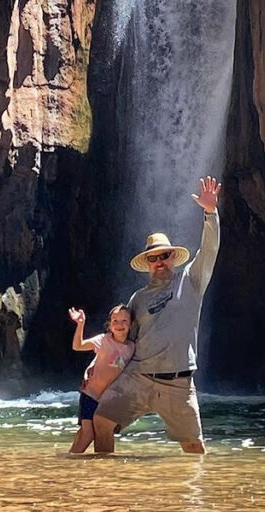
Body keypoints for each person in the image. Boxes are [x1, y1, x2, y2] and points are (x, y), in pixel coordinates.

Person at [92, 176, 222, 454]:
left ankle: (196, 496)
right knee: (101, 421)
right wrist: (97, 368)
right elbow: (123, 341)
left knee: (194, 447)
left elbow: (209, 251)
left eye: (164, 256)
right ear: (147, 264)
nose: (159, 262)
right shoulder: (137, 299)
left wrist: (210, 213)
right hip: (139, 376)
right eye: (153, 258)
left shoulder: (191, 280)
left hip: (177, 381)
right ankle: (104, 486)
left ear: (172, 258)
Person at [67, 304, 135, 454]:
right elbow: (78, 346)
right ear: (109, 324)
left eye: (124, 321)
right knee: (88, 434)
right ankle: (69, 465)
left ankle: (94, 467)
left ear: (131, 324)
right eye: (115, 321)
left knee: (98, 432)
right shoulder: (103, 340)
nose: (119, 325)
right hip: (90, 395)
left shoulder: (132, 347)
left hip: (107, 399)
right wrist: (80, 324)